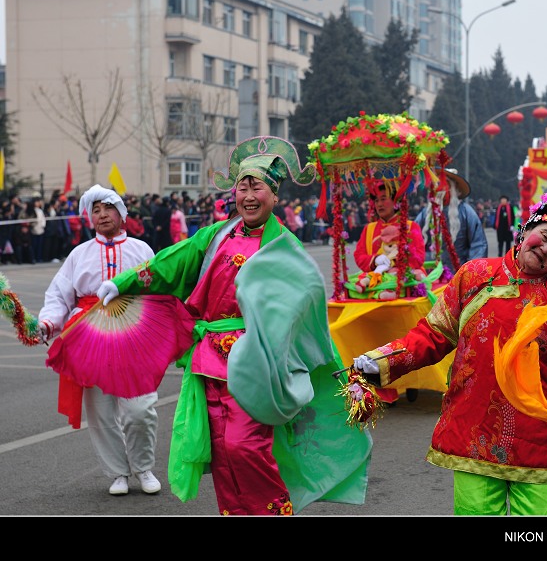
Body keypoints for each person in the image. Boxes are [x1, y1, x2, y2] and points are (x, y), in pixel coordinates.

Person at [96, 136, 371, 515]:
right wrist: (121, 283)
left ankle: (273, 511)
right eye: (243, 186)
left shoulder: (284, 246)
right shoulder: (217, 235)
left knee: (247, 445)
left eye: (257, 186)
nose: (248, 195)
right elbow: (171, 262)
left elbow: (304, 302)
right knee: (223, 450)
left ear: (274, 197)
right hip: (210, 359)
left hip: (256, 362)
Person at [353, 193, 547, 516]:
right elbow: (433, 334)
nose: (546, 249)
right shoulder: (474, 276)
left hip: (539, 439)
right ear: (527, 228)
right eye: (545, 237)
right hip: (475, 435)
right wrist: (385, 361)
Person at [37, 184, 161, 497]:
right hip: (88, 336)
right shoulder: (78, 254)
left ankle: (143, 467)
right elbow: (59, 295)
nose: (102, 214)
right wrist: (49, 320)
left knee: (140, 409)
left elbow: (160, 291)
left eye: (107, 208)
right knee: (101, 410)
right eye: (95, 210)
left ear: (122, 214)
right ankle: (117, 472)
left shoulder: (143, 250)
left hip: (133, 334)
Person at [415, 168, 488, 271]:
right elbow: (414, 241)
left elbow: (479, 245)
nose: (438, 188)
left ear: (452, 188)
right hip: (431, 276)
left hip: (460, 275)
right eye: (435, 184)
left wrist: (470, 272)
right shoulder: (425, 214)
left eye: (442, 184)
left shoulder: (466, 212)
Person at [354, 182, 426, 277]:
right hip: (374, 279)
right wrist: (375, 259)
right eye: (376, 201)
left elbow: (418, 258)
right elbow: (359, 256)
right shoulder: (369, 229)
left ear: (395, 202)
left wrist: (393, 260)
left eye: (383, 199)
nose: (379, 204)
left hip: (405, 279)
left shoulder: (411, 226)